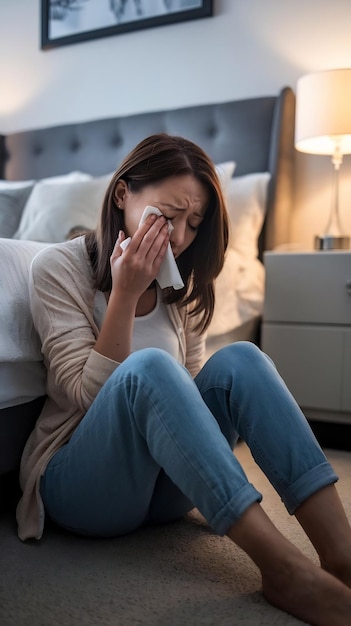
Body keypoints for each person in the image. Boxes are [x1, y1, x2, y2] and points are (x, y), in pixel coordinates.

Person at [17, 133, 351, 625]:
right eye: (167, 216)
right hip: (83, 489)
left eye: (193, 224)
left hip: (166, 494)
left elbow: (190, 405)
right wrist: (126, 295)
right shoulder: (57, 269)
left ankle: (341, 554)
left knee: (242, 359)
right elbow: (86, 397)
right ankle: (284, 569)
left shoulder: (184, 286)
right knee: (149, 369)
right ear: (122, 195)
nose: (179, 237)